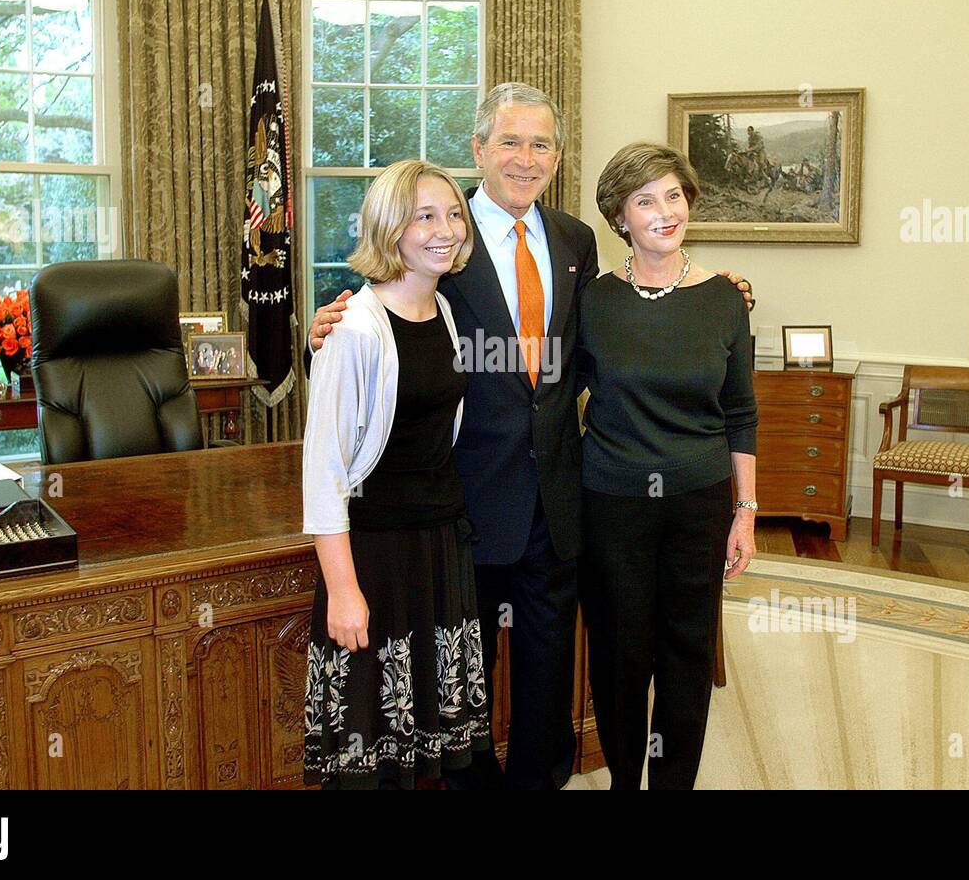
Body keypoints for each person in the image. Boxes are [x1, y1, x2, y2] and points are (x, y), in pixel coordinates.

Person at [308, 83, 757, 790]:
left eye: (541, 144)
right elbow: (385, 311)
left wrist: (711, 295)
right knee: (467, 671)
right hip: (464, 502)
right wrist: (322, 328)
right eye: (510, 142)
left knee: (549, 675)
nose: (525, 158)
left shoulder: (575, 240)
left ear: (557, 155)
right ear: (479, 148)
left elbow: (607, 339)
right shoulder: (443, 237)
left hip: (561, 497)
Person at [300, 158, 490, 789]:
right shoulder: (353, 327)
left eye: (454, 214)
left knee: (421, 745)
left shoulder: (446, 314)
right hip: (374, 558)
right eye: (424, 216)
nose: (446, 229)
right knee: (368, 747)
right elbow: (323, 471)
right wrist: (344, 590)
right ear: (390, 228)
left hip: (438, 548)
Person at [577, 142, 758, 790]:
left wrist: (747, 511)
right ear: (620, 217)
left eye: (673, 195)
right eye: (645, 200)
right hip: (612, 504)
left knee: (685, 658)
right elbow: (546, 387)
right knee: (620, 658)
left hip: (698, 503)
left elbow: (740, 412)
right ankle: (627, 781)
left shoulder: (724, 299)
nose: (664, 211)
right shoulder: (593, 301)